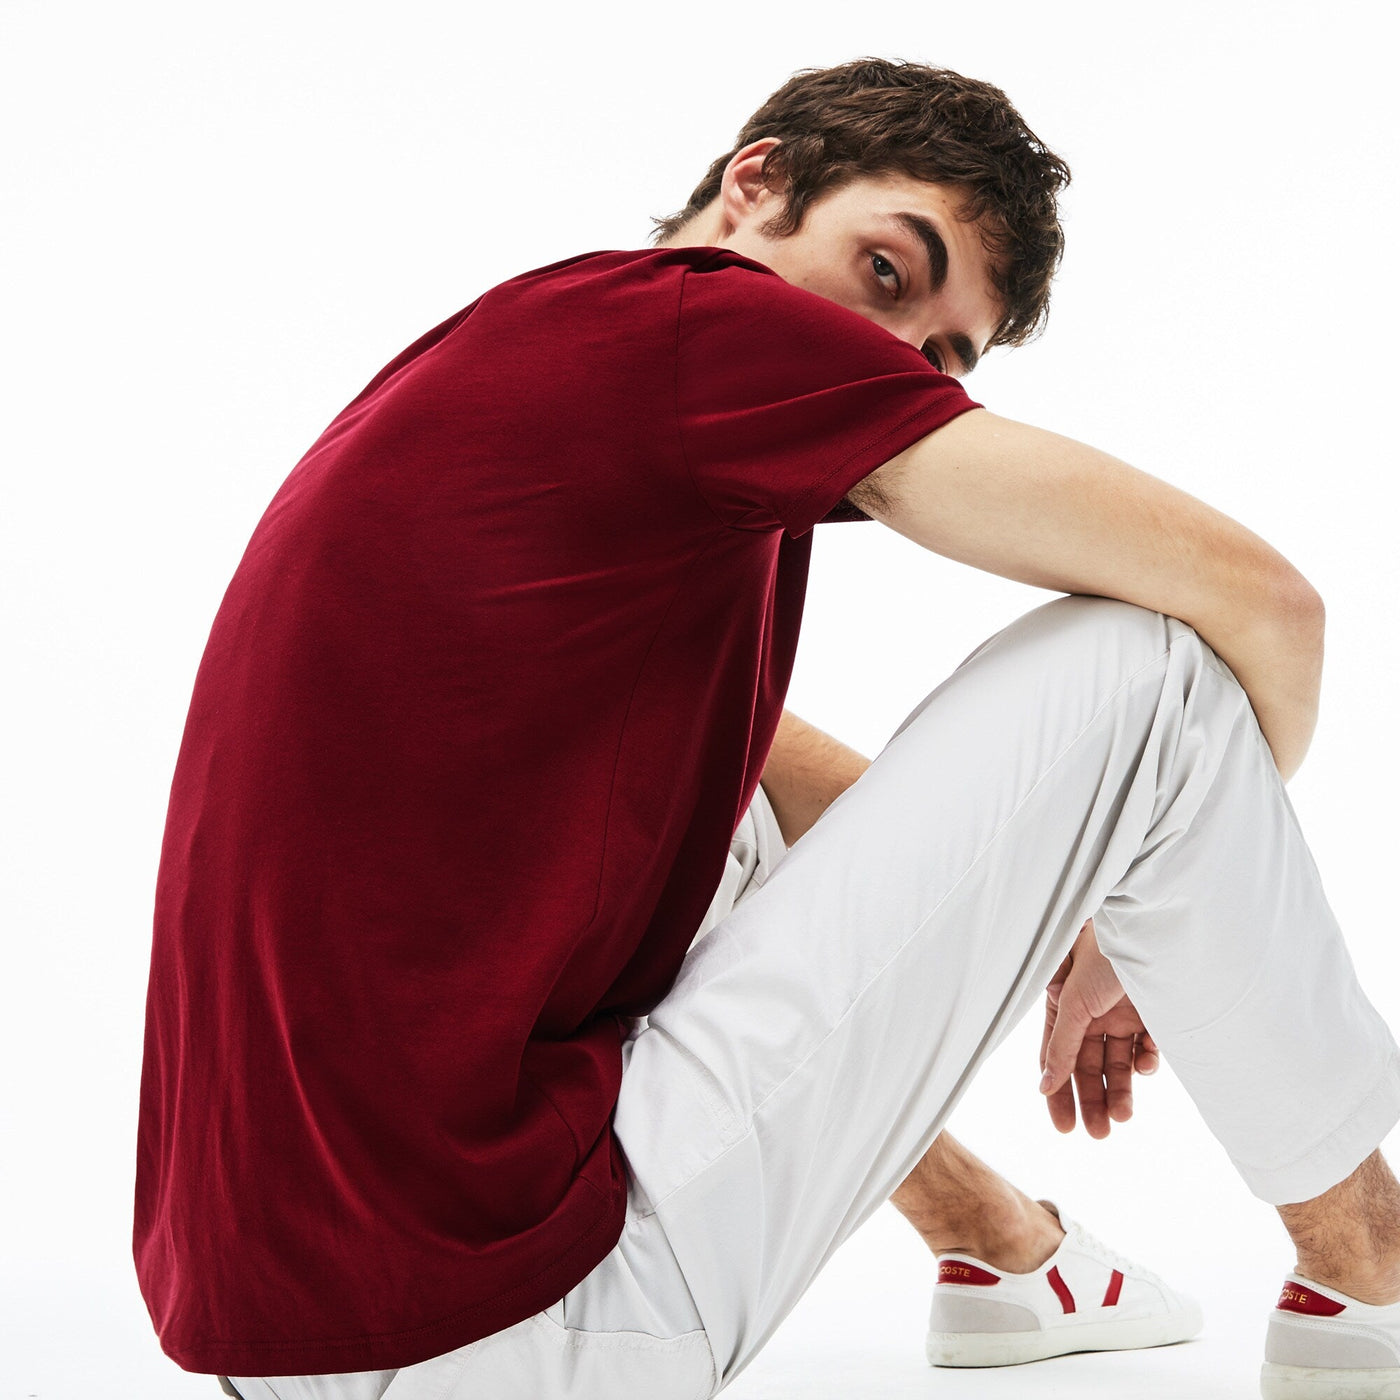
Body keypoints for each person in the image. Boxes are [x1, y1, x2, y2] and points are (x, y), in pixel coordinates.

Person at [131, 56, 1400, 1400]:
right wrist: (1149, 909)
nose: (893, 357)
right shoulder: (705, 330)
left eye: (939, 358)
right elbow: (1270, 607)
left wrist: (1097, 888)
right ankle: (1369, 1262)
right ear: (759, 181)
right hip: (506, 1312)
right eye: (886, 273)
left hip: (298, 1328)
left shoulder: (543, 348)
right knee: (1152, 673)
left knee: (713, 800)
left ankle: (992, 1243)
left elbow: (763, 762)